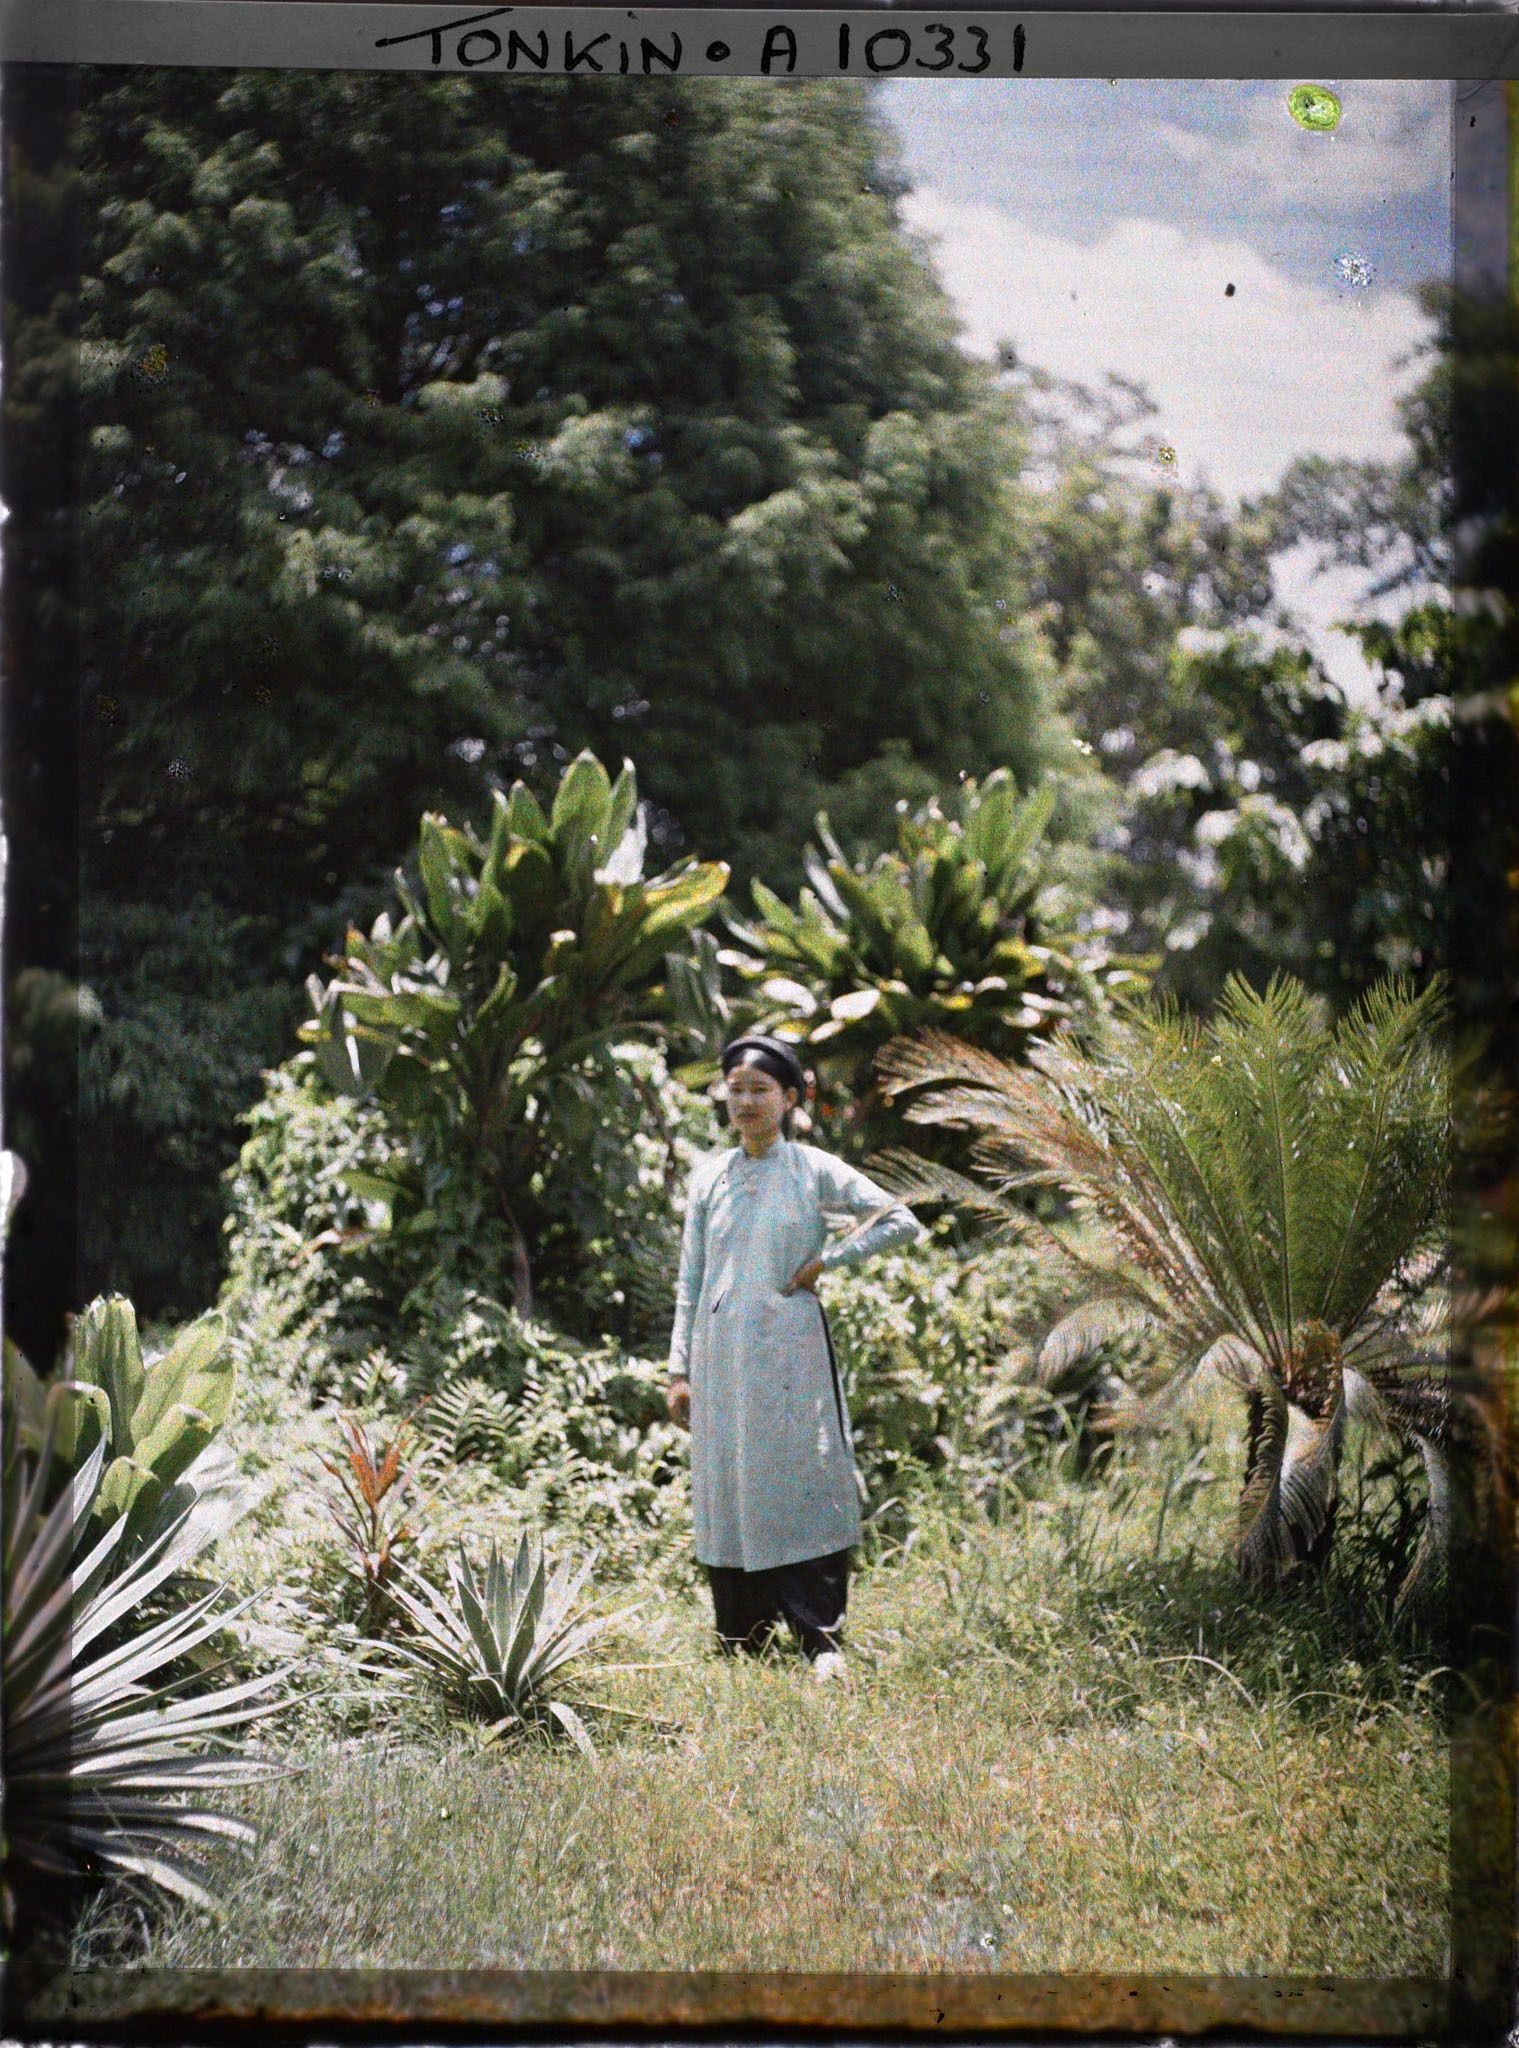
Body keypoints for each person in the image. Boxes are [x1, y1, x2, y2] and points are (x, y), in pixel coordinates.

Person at [667, 1033, 924, 1679]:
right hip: (720, 1355)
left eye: (760, 1089)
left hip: (788, 1351)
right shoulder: (709, 1179)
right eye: (736, 1089)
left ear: (788, 1098)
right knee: (730, 1481)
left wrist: (827, 1260)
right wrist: (678, 1370)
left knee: (801, 1476)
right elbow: (690, 1278)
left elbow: (899, 1220)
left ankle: (819, 1635)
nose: (746, 1101)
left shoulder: (812, 1169)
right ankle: (742, 1634)